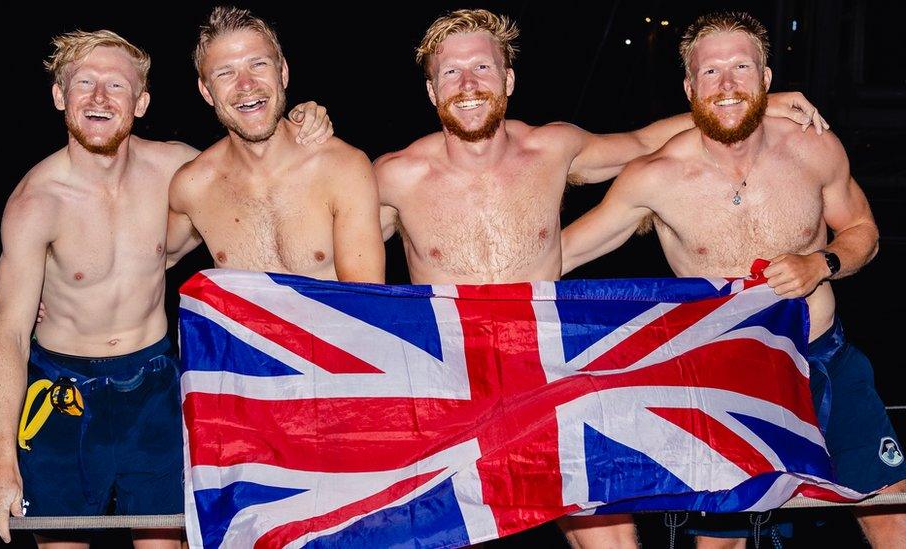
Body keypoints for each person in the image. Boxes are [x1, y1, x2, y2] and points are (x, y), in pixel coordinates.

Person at [374, 9, 825, 547]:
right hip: (449, 380)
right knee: (423, 533)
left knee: (609, 537)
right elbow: (329, 270)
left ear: (509, 80)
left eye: (483, 68)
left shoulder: (553, 149)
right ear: (430, 90)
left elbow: (639, 144)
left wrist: (751, 106)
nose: (468, 85)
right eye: (451, 72)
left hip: (547, 375)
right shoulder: (394, 176)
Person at [0, 29, 331, 549]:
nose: (99, 98)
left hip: (153, 384)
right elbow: (9, 333)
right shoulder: (36, 202)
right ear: (60, 97)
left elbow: (261, 179)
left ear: (141, 102)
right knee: (62, 543)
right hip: (62, 393)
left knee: (166, 542)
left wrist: (298, 122)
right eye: (84, 83)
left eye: (116, 85)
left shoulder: (178, 167)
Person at [560, 11, 906, 548]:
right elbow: (558, 255)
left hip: (825, 360)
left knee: (895, 511)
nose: (726, 85)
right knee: (721, 540)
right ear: (688, 87)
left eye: (741, 68)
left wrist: (824, 262)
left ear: (766, 79)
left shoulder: (814, 147)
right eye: (710, 73)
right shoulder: (655, 177)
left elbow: (864, 230)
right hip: (724, 380)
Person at [167, 6, 385, 283]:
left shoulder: (342, 168)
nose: (246, 84)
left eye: (258, 64)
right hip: (239, 328)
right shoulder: (193, 186)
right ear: (207, 92)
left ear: (282, 72)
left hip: (327, 327)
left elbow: (364, 303)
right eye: (225, 73)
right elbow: (154, 259)